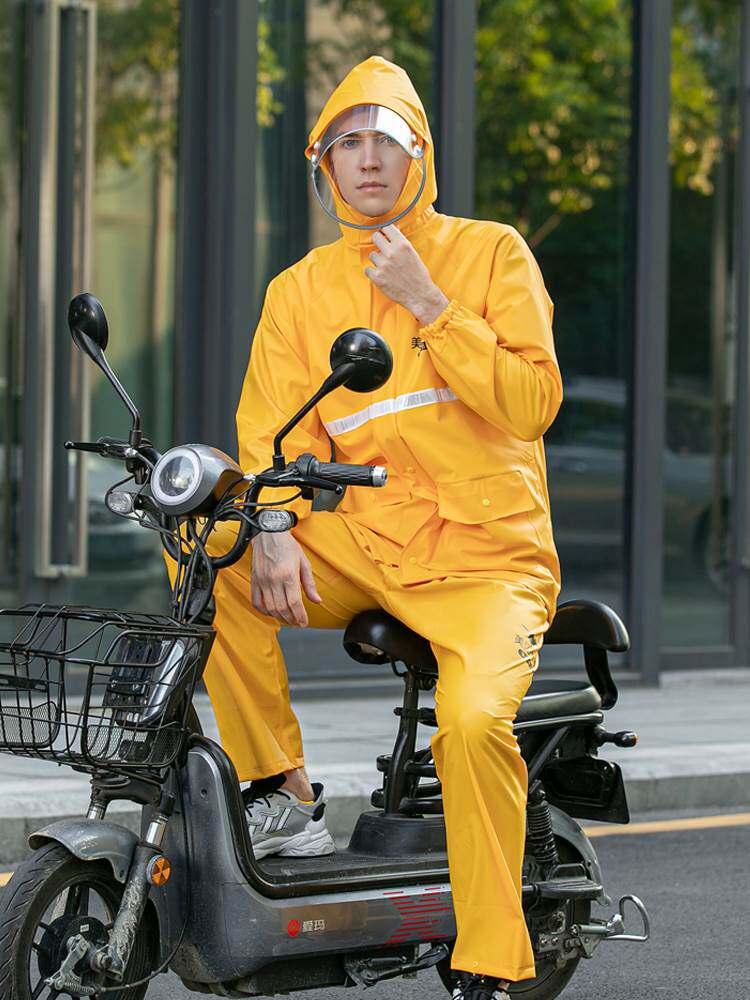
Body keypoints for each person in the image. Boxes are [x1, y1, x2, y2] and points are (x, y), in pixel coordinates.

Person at [170, 55, 563, 1000]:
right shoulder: (298, 291)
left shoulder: (491, 251)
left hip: (488, 560)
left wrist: (431, 303)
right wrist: (267, 523)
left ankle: (491, 961)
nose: (368, 159)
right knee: (205, 549)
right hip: (371, 545)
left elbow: (533, 402)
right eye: (348, 143)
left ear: (418, 156)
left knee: (470, 727)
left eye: (387, 140)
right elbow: (270, 431)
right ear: (325, 169)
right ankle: (284, 792)